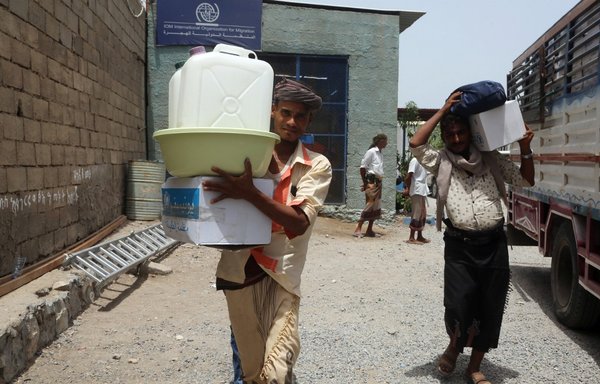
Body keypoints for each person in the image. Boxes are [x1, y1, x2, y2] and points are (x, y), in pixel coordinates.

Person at [202, 78, 332, 383]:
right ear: (272, 112)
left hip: (282, 276)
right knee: (251, 373)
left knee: (275, 371)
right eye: (286, 112)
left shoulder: (316, 165)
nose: (292, 122)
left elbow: (298, 223)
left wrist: (249, 193)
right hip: (239, 273)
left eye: (301, 116)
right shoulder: (245, 156)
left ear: (309, 120)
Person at [409, 91, 535, 384]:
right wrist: (443, 110)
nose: (455, 138)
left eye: (460, 131)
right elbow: (416, 143)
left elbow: (527, 180)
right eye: (449, 133)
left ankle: (474, 366)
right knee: (458, 303)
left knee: (489, 305)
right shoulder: (439, 161)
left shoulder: (493, 160)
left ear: (471, 132)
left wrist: (525, 148)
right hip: (459, 246)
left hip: (493, 244)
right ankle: (454, 346)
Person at [353, 133, 388, 237]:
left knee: (376, 206)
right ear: (380, 141)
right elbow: (362, 168)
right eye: (385, 141)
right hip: (372, 182)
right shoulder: (371, 152)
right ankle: (358, 228)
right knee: (370, 204)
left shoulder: (380, 154)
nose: (387, 143)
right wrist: (365, 183)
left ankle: (369, 230)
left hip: (378, 182)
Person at [402, 157, 430, 244]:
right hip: (417, 189)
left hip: (422, 189)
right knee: (416, 214)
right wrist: (407, 188)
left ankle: (419, 236)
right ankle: (411, 237)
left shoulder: (423, 161)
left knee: (422, 214)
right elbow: (409, 175)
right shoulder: (415, 160)